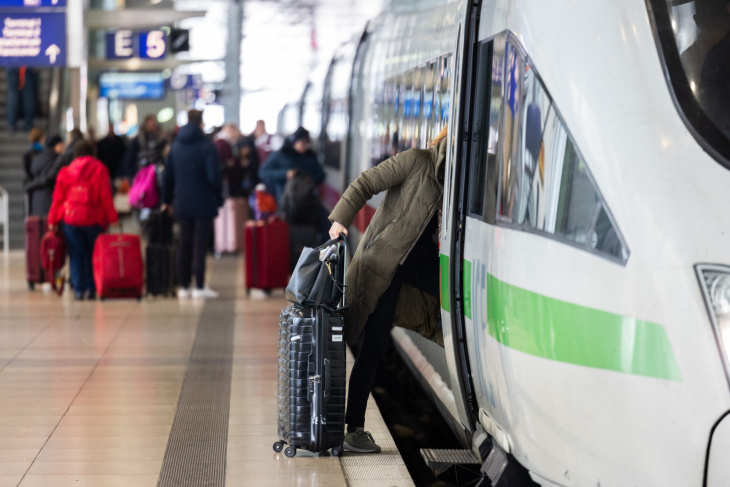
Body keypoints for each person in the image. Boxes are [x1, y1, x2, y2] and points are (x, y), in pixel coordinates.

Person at [327, 126, 448, 454]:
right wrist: (340, 220)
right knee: (371, 345)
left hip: (416, 272)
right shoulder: (416, 161)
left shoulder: (459, 182)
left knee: (441, 317)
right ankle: (352, 428)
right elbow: (366, 182)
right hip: (382, 270)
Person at [162, 109, 223, 299]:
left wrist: (166, 200)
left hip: (182, 201)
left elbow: (167, 177)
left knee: (184, 243)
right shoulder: (207, 146)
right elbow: (214, 177)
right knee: (200, 244)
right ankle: (199, 287)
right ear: (200, 123)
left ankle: (183, 287)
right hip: (203, 201)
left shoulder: (175, 147)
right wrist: (218, 196)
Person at [48, 140, 119, 300]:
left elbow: (58, 199)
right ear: (92, 153)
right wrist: (113, 218)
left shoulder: (65, 171)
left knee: (76, 254)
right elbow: (105, 197)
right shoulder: (100, 169)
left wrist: (52, 220)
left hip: (71, 219)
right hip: (94, 219)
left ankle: (79, 290)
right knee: (94, 254)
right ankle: (92, 288)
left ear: (76, 154)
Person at [258, 126, 325, 203]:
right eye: (303, 144)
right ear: (295, 141)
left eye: (307, 144)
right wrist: (285, 174)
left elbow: (321, 175)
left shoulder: (310, 155)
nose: (305, 147)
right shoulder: (281, 153)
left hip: (307, 200)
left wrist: (306, 178)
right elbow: (263, 172)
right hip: (285, 200)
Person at [24, 135, 65, 216]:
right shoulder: (57, 159)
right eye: (61, 145)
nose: (64, 147)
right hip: (51, 198)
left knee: (39, 226)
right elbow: (50, 177)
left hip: (36, 199)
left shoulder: (37, 157)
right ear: (55, 146)